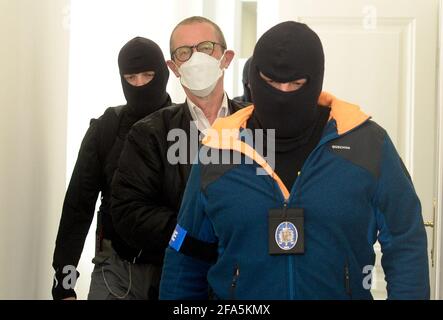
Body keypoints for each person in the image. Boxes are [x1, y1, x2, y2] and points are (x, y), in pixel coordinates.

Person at [159, 21, 429, 300]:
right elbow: (186, 258)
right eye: (272, 83)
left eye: (296, 84)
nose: (283, 94)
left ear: (316, 80)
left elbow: (406, 243)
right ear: (253, 80)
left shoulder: (367, 145)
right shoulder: (218, 150)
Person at [111, 16, 247, 299]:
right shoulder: (150, 133)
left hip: (246, 283)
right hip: (178, 281)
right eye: (184, 52)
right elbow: (128, 211)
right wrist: (193, 239)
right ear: (174, 67)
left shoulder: (257, 125)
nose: (195, 58)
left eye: (206, 48)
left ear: (226, 57)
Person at [52, 37, 171, 300]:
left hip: (174, 268)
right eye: (131, 77)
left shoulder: (185, 127)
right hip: (115, 268)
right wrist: (63, 281)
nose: (140, 84)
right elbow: (78, 205)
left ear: (162, 73)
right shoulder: (106, 128)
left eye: (148, 75)